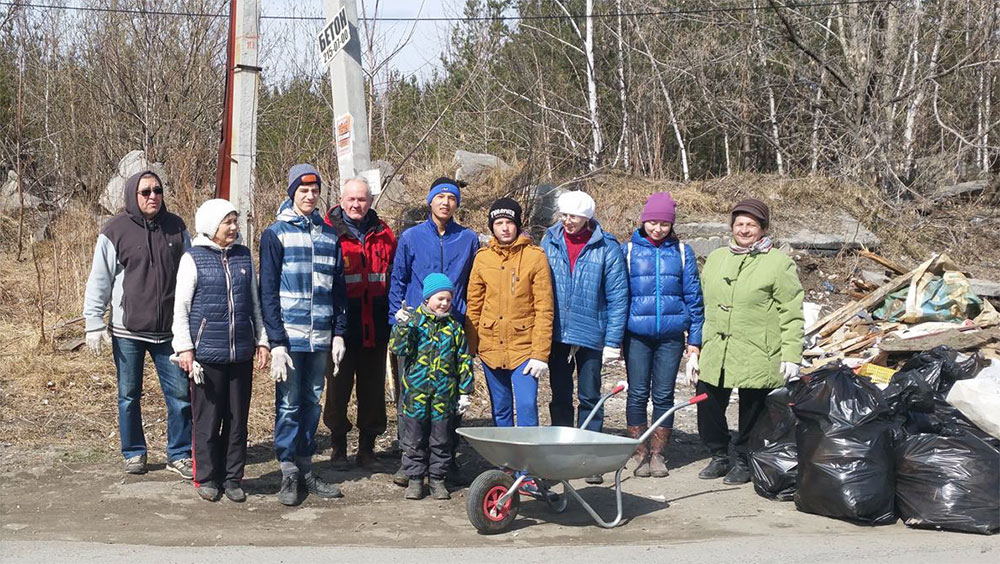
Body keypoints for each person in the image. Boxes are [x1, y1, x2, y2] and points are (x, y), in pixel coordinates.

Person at [83, 169, 194, 479]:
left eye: (157, 190)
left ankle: (179, 453)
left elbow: (192, 275)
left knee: (180, 396)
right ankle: (134, 452)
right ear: (133, 194)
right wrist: (93, 322)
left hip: (170, 331)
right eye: (145, 192)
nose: (153, 196)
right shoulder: (115, 230)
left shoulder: (177, 227)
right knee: (129, 396)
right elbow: (100, 279)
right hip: (127, 331)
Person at [689, 198, 804, 485]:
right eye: (739, 224)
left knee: (752, 408)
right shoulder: (717, 258)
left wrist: (792, 354)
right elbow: (701, 305)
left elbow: (791, 312)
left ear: (763, 228)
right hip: (717, 346)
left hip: (757, 348)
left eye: (751, 225)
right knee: (708, 400)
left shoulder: (778, 263)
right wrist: (694, 347)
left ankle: (743, 459)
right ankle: (718, 454)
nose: (744, 229)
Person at [259, 164, 348, 506]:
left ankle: (306, 467)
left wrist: (339, 333)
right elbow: (267, 291)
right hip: (290, 338)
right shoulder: (276, 234)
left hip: (320, 337)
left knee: (312, 401)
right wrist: (275, 341)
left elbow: (338, 289)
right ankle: (288, 471)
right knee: (288, 404)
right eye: (303, 190)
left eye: (314, 190)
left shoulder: (329, 236)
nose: (310, 196)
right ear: (292, 193)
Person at [171, 199, 269, 502]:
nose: (234, 227)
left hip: (240, 353)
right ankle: (207, 477)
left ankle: (232, 477)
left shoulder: (243, 256)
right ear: (211, 225)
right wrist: (185, 348)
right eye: (228, 222)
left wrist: (262, 340)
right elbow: (181, 308)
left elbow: (254, 304)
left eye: (235, 221)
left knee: (237, 419)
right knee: (208, 420)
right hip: (206, 355)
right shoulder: (193, 258)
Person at [387, 177, 479, 486]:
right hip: (417, 330)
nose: (445, 202)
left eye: (451, 198)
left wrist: (468, 315)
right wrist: (398, 318)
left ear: (457, 204)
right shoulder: (411, 237)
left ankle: (445, 460)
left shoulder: (468, 239)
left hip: (452, 328)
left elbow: (474, 281)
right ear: (430, 201)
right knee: (410, 397)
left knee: (448, 397)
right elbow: (398, 278)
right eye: (440, 197)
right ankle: (410, 461)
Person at [541, 190, 628, 484]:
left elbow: (618, 297)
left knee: (590, 396)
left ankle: (589, 457)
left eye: (574, 216)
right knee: (560, 396)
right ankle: (562, 452)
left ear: (587, 217)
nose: (568, 221)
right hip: (558, 334)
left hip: (591, 334)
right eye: (564, 215)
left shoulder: (606, 247)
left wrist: (612, 341)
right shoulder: (549, 241)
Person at [621, 192, 704, 478]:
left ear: (672, 225)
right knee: (637, 393)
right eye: (653, 222)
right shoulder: (627, 251)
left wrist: (694, 342)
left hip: (671, 336)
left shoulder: (682, 252)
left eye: (664, 224)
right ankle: (639, 452)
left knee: (664, 394)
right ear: (643, 221)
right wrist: (613, 339)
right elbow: (618, 296)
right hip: (636, 335)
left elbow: (694, 298)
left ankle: (658, 453)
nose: (658, 228)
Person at [322, 177, 397, 470]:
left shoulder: (385, 234)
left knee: (373, 389)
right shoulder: (327, 232)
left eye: (362, 199)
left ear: (371, 201)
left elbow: (394, 276)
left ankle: (367, 448)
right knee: (337, 389)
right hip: (340, 326)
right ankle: (338, 445)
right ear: (341, 200)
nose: (356, 204)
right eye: (351, 199)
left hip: (375, 326)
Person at [466, 198, 553, 428]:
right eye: (499, 223)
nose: (505, 228)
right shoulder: (482, 258)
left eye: (509, 222)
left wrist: (540, 354)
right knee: (500, 407)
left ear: (518, 224)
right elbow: (474, 305)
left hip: (524, 347)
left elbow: (544, 308)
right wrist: (469, 348)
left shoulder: (535, 257)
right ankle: (504, 452)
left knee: (526, 404)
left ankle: (527, 452)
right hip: (490, 346)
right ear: (492, 227)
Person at [388, 273, 475, 501]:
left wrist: (465, 392)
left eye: (448, 299)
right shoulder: (415, 322)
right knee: (414, 440)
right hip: (415, 395)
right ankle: (415, 479)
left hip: (444, 397)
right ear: (427, 299)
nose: (444, 303)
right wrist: (401, 326)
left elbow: (463, 360)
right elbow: (398, 349)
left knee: (441, 440)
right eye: (440, 299)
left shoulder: (454, 328)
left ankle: (437, 479)